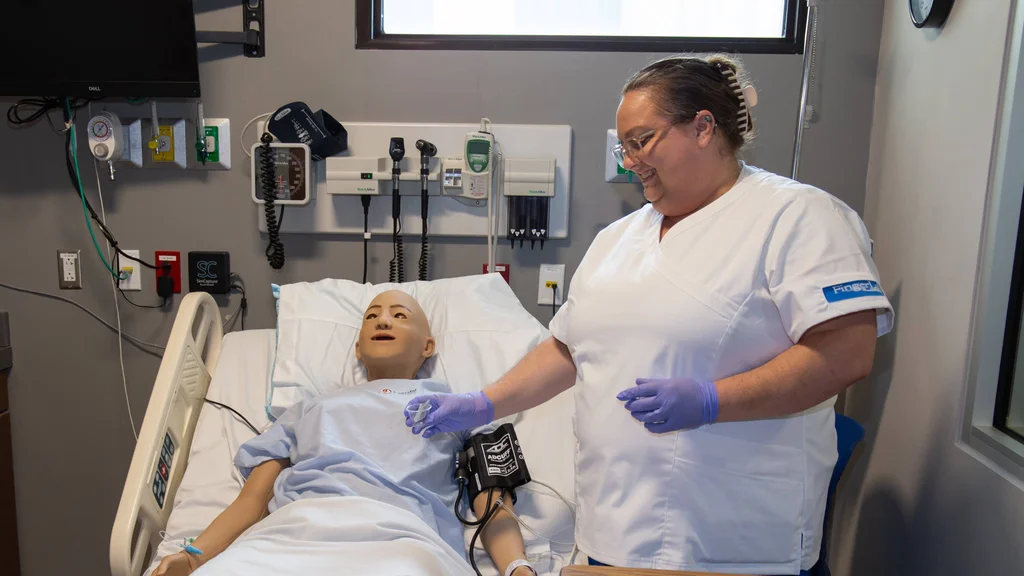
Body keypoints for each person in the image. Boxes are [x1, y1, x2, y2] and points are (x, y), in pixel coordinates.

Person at [405, 54, 894, 575]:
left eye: (641, 141)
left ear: (703, 127)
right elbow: (569, 349)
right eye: (625, 146)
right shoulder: (617, 239)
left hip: (735, 536)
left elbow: (846, 352)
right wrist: (484, 405)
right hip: (613, 530)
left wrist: (711, 401)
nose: (630, 159)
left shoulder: (798, 216)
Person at [154, 290, 537, 576]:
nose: (383, 322)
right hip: (290, 535)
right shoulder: (307, 409)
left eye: (399, 315)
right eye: (372, 317)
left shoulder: (461, 407)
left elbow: (492, 497)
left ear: (428, 345)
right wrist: (194, 556)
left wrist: (517, 568)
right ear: (357, 347)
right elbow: (253, 500)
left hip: (404, 540)